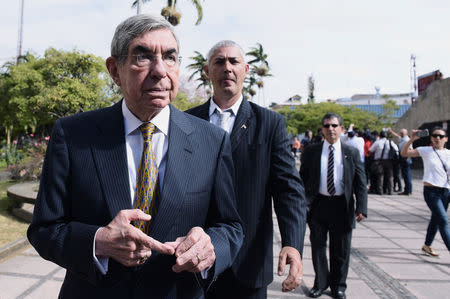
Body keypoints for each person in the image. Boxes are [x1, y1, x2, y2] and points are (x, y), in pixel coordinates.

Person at [27, 14, 243, 298]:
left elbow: (230, 227)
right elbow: (44, 229)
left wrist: (210, 246)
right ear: (115, 70)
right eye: (143, 57)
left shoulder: (211, 141)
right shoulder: (73, 135)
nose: (159, 71)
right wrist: (98, 242)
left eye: (170, 57)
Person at [187, 40, 307, 299]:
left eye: (234, 62)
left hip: (248, 263)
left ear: (246, 70)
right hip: (193, 262)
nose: (227, 68)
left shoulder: (270, 123)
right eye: (219, 62)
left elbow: (289, 190)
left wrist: (293, 244)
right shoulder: (186, 122)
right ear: (207, 71)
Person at [300, 113, 367, 299]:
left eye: (334, 125)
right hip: (318, 206)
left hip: (342, 206)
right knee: (318, 247)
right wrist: (302, 203)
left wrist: (362, 207)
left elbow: (360, 181)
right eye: (327, 125)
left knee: (341, 250)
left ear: (342, 129)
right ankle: (320, 283)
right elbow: (302, 179)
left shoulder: (351, 152)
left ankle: (339, 286)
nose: (331, 129)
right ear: (322, 129)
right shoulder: (312, 151)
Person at [401, 127, 450, 257]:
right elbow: (404, 153)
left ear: (446, 139)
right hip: (431, 191)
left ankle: (427, 245)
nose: (437, 138)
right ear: (431, 138)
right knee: (443, 220)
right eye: (434, 136)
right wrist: (411, 139)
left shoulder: (449, 154)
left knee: (436, 219)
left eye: (440, 136)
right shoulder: (426, 150)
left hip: (446, 192)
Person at [369, 130, 399, 195]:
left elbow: (371, 150)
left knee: (380, 176)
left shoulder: (377, 142)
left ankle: (380, 190)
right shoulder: (390, 142)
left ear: (380, 136)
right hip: (388, 160)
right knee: (390, 176)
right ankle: (390, 190)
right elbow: (396, 149)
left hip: (379, 161)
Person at [388, 128, 413, 195]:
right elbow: (397, 136)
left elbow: (410, 149)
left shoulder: (407, 140)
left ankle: (408, 190)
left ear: (405, 133)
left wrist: (407, 157)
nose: (400, 134)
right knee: (405, 175)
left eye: (402, 133)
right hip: (402, 158)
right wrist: (391, 131)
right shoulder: (402, 139)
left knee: (407, 175)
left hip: (405, 158)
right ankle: (408, 189)